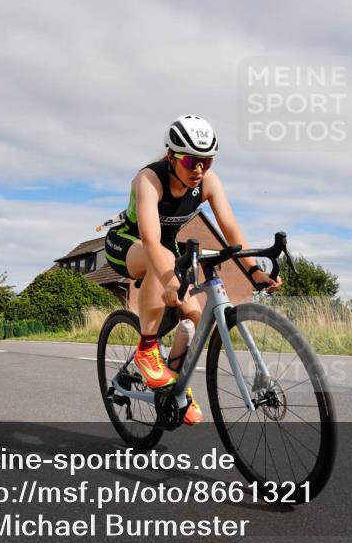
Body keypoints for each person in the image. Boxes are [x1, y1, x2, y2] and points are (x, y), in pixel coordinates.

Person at [104, 115, 281, 424]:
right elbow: (149, 238)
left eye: (206, 162)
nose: (199, 170)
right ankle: (147, 351)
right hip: (128, 242)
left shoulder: (208, 183)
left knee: (197, 320)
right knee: (158, 259)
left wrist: (254, 272)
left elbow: (230, 228)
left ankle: (175, 387)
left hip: (168, 250)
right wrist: (170, 279)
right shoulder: (149, 179)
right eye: (190, 161)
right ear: (172, 156)